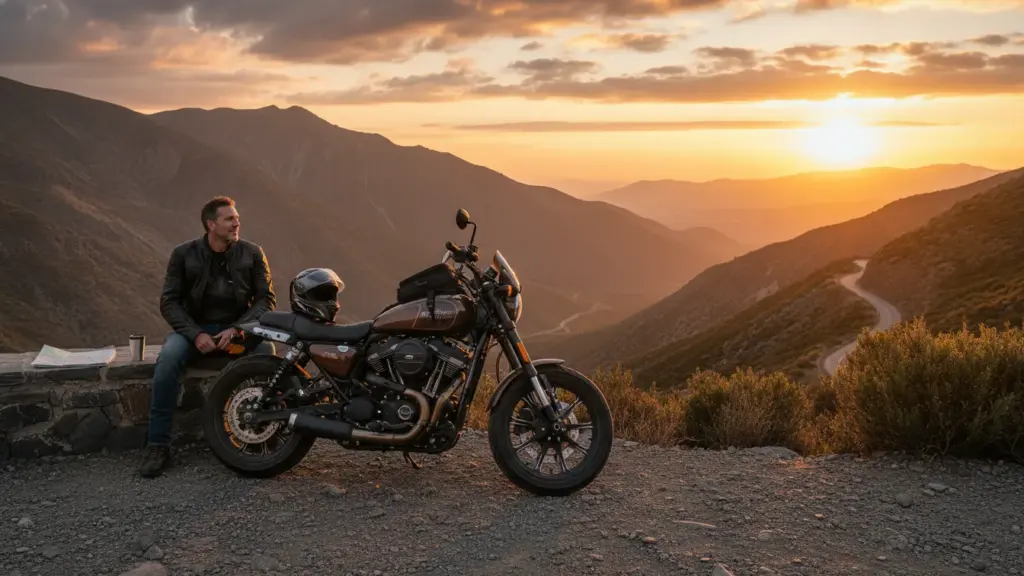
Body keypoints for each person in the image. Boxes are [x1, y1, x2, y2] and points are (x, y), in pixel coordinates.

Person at [140, 196, 277, 478]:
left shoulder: (252, 253)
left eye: (237, 217)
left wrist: (239, 329)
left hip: (237, 332)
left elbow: (266, 300)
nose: (237, 222)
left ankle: (265, 437)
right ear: (211, 224)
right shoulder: (183, 254)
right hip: (194, 331)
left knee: (267, 355)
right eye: (229, 219)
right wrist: (195, 333)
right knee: (167, 363)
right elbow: (169, 302)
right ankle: (157, 446)